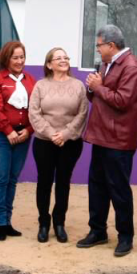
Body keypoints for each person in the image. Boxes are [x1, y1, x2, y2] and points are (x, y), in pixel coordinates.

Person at [76, 24, 137, 257]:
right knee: (97, 186)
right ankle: (98, 231)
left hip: (119, 139)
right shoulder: (107, 64)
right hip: (101, 135)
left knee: (118, 189)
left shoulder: (132, 67)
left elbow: (122, 100)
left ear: (111, 45)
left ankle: (125, 236)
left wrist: (98, 87)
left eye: (99, 45)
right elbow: (101, 96)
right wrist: (92, 88)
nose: (98, 50)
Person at [28, 47, 88, 243]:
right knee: (44, 182)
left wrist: (65, 133)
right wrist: (51, 133)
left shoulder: (78, 86)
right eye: (58, 58)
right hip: (44, 142)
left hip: (70, 143)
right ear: (49, 64)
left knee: (63, 182)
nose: (63, 60)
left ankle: (59, 223)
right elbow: (34, 113)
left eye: (66, 57)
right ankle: (43, 223)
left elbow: (82, 113)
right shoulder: (40, 86)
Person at [0, 41, 36, 241]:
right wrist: (8, 131)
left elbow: (37, 108)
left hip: (23, 136)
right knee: (1, 178)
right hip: (0, 136)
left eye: (22, 57)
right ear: (6, 58)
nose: (19, 61)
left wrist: (29, 130)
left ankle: (8, 221)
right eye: (15, 57)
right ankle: (0, 223)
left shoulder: (30, 80)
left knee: (12, 179)